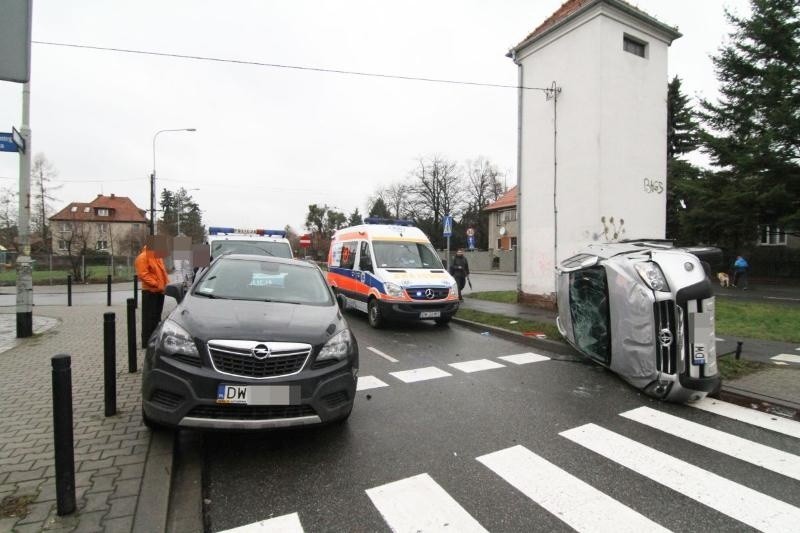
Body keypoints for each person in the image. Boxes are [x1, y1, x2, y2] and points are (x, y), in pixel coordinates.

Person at [135, 242, 169, 347]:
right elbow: (143, 274)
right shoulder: (143, 257)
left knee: (156, 317)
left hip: (159, 291)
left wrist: (165, 284)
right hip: (150, 291)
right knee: (149, 318)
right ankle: (147, 342)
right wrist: (157, 284)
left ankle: (154, 340)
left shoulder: (157, 256)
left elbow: (163, 272)